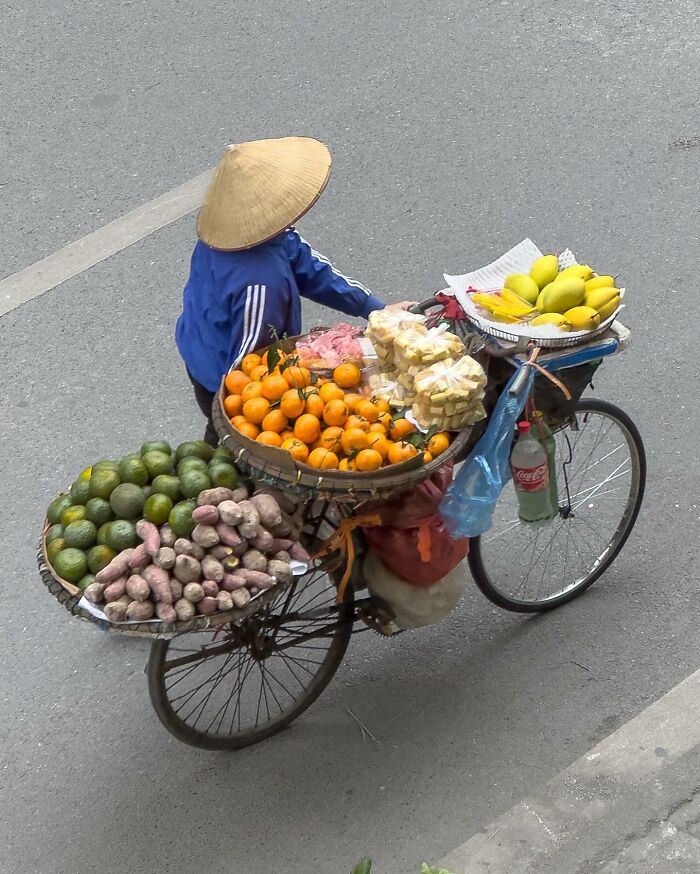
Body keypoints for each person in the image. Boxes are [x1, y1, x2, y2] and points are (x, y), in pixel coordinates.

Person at [176, 136, 414, 445]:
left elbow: (310, 268)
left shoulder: (238, 234)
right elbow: (251, 363)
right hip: (221, 372)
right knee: (228, 444)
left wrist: (374, 308)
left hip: (200, 341)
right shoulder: (261, 284)